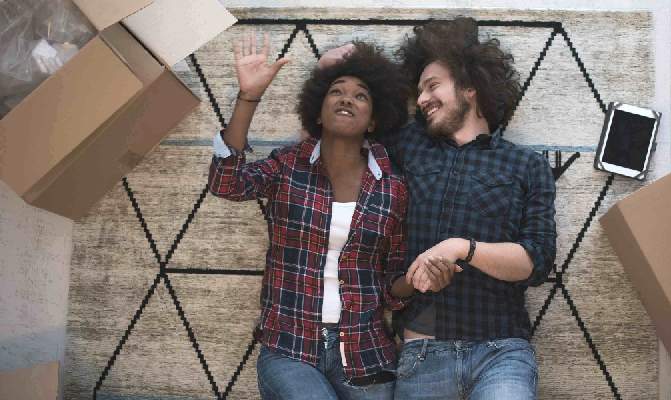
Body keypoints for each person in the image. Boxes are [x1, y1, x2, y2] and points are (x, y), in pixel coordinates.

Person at [322, 17, 557, 400]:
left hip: (500, 348)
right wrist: (331, 69)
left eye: (433, 86)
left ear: (470, 88)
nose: (424, 98)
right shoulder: (407, 145)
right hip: (423, 352)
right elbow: (338, 137)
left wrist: (460, 247)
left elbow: (536, 262)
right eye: (419, 91)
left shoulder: (525, 164)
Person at [208, 33, 410, 400]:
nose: (347, 97)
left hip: (366, 355)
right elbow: (227, 183)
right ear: (317, 109)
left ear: (373, 121)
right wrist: (248, 97)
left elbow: (390, 281)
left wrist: (414, 281)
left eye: (361, 94)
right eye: (336, 90)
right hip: (290, 347)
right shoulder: (288, 166)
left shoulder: (392, 188)